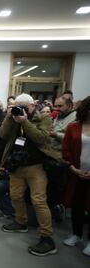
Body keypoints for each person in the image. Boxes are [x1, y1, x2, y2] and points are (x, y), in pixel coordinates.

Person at [0, 93, 62, 256]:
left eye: (23, 107)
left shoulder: (44, 118)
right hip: (17, 165)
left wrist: (24, 121)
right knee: (15, 196)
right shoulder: (13, 118)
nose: (20, 110)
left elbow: (41, 139)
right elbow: (3, 135)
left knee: (39, 201)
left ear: (32, 106)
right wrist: (9, 118)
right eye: (17, 106)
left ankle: (47, 238)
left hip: (36, 166)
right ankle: (21, 222)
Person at [61, 96, 90, 256]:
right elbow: (66, 149)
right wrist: (73, 168)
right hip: (77, 173)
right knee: (77, 205)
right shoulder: (73, 127)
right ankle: (76, 234)